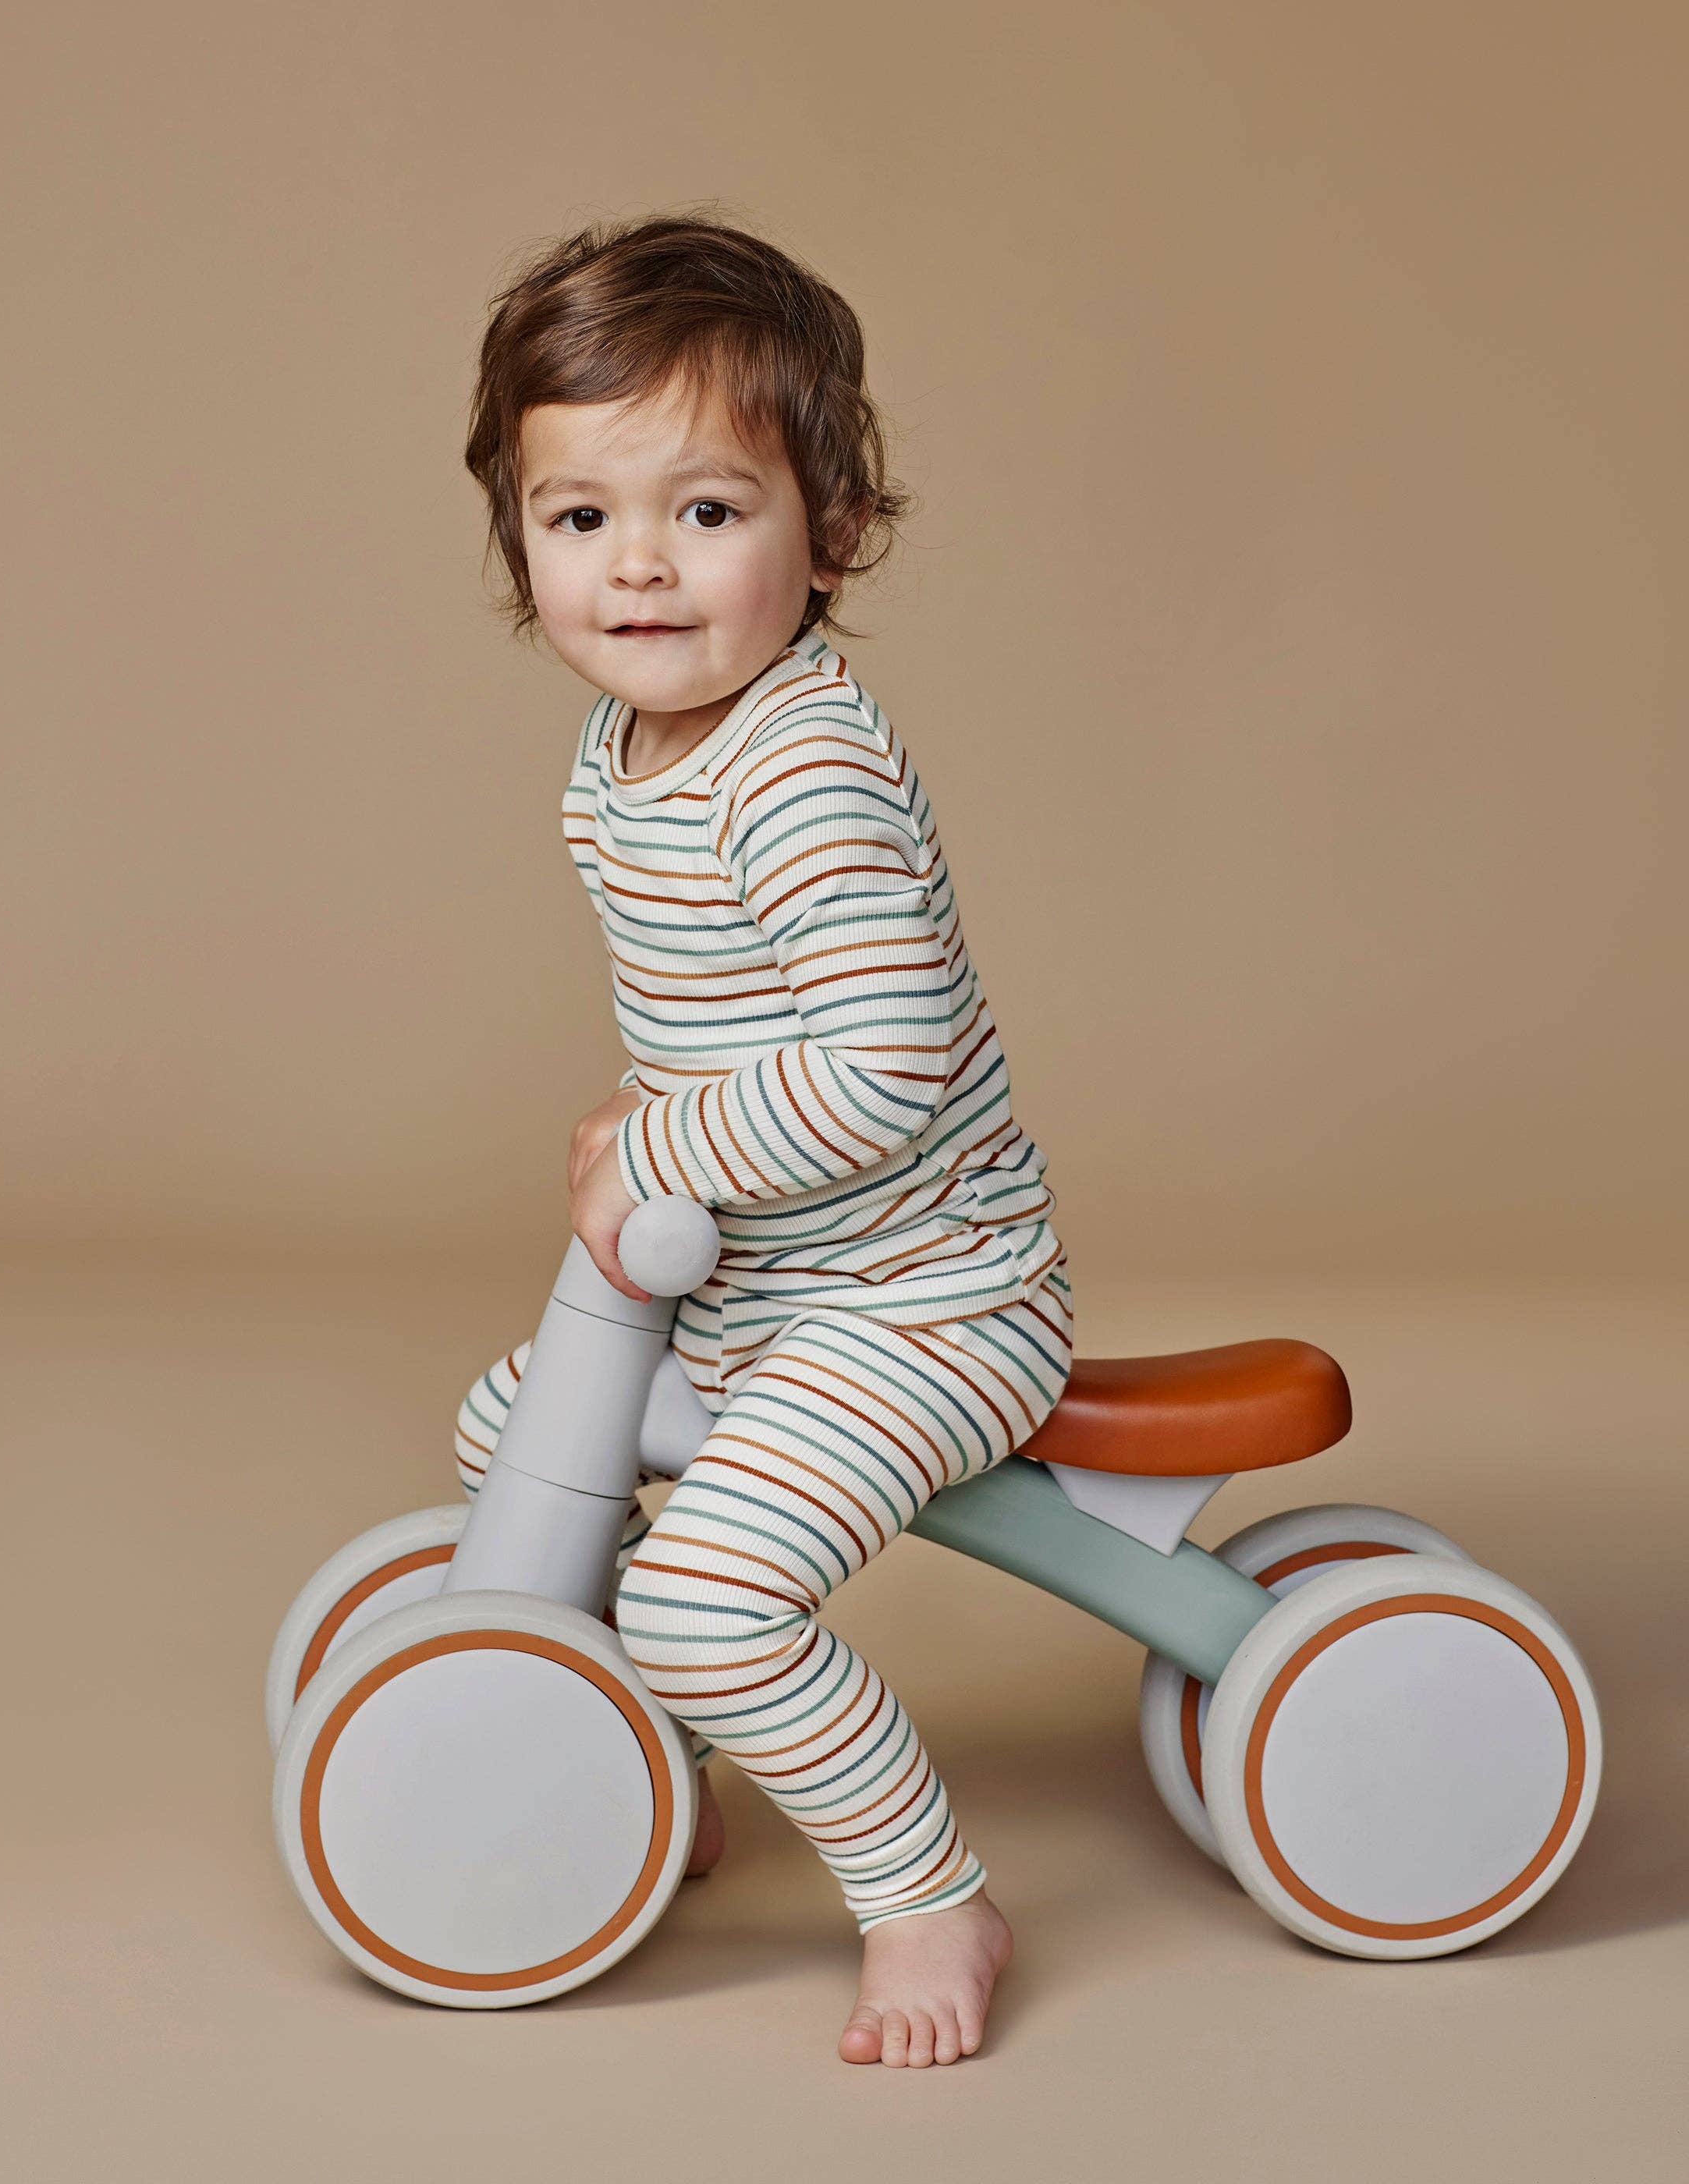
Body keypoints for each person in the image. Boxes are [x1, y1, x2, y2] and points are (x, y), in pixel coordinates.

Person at [459, 211, 1073, 2067]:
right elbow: (729, 1014)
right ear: (520, 538)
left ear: (833, 533)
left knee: (703, 1595)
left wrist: (668, 1148)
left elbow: (881, 1061)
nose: (638, 565)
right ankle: (668, 1761)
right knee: (509, 1435)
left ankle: (928, 1893)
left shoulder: (799, 769)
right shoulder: (625, 748)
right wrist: (665, 1114)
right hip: (771, 1288)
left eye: (708, 510)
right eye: (582, 516)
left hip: (926, 1301)